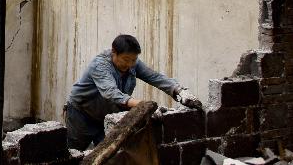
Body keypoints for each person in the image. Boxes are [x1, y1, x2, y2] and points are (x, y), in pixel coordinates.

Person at [64, 34, 202, 150]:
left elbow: (154, 77)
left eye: (133, 60)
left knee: (108, 155)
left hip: (107, 116)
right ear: (114, 52)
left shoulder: (133, 63)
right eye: (125, 60)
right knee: (74, 153)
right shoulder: (100, 65)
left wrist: (178, 91)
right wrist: (145, 106)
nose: (130, 64)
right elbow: (111, 93)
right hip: (81, 115)